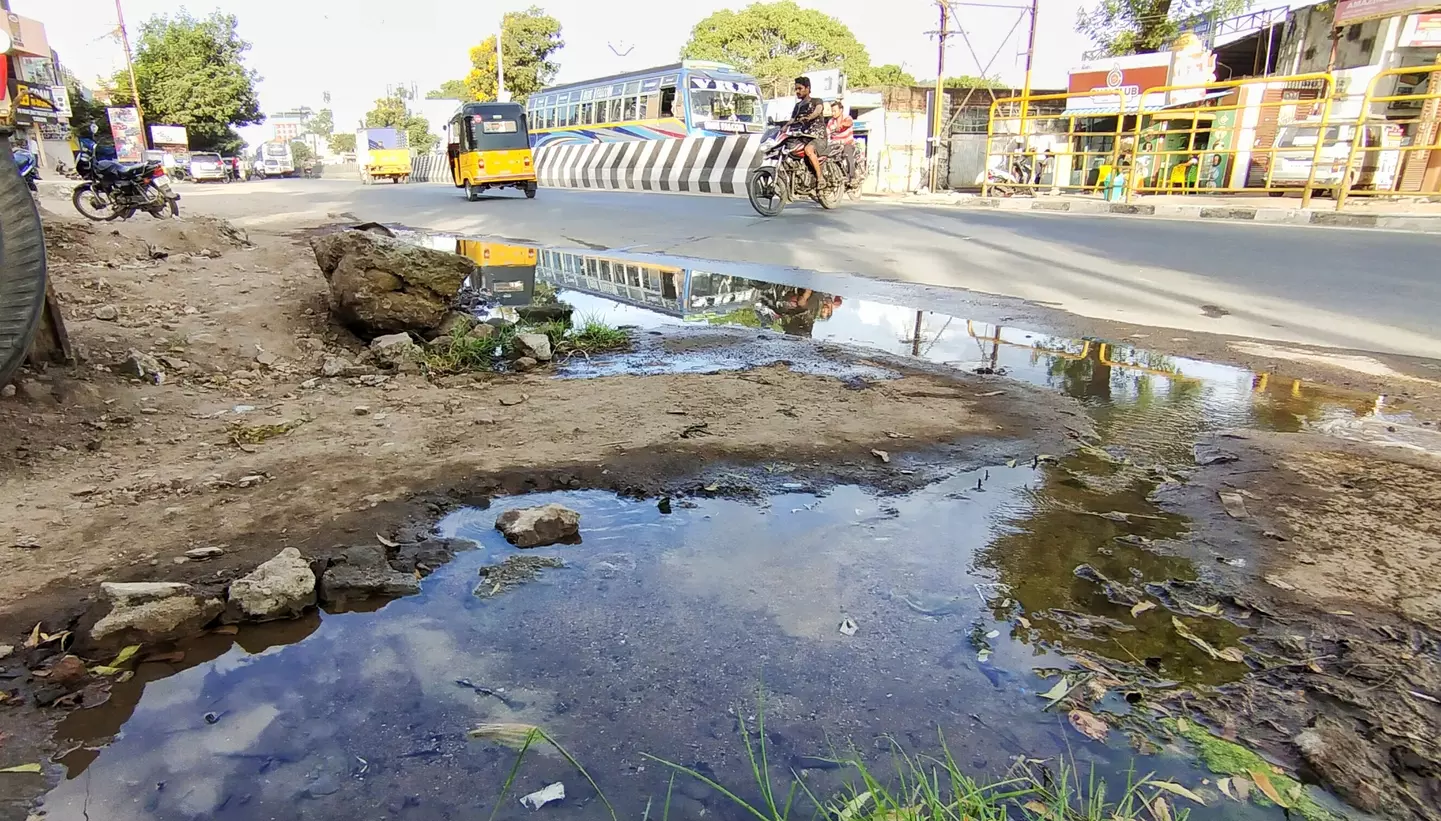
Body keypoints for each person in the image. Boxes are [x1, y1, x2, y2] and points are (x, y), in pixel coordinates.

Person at [788, 76, 826, 183]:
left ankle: (820, 178)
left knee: (808, 150)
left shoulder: (816, 101)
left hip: (818, 136)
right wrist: (783, 127)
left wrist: (809, 117)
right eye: (796, 89)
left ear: (808, 88)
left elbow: (818, 110)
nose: (797, 91)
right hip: (803, 137)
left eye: (800, 88)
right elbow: (791, 120)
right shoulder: (798, 106)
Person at [827, 100, 856, 183]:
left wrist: (842, 125)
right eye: (832, 111)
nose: (833, 113)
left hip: (847, 144)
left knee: (847, 154)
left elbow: (849, 123)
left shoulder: (847, 117)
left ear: (841, 110)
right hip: (835, 145)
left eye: (835, 111)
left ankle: (852, 176)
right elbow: (827, 132)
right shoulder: (830, 122)